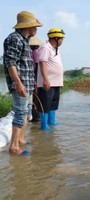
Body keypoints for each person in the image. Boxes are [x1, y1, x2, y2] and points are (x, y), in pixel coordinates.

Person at [3, 11, 42, 155]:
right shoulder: (14, 39)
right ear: (28, 26)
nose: (36, 29)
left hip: (28, 83)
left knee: (27, 113)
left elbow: (25, 65)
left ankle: (21, 139)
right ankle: (13, 147)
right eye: (35, 26)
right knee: (20, 113)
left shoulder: (24, 40)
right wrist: (18, 83)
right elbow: (10, 62)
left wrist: (33, 83)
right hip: (21, 84)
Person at [37, 28, 65, 131]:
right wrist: (45, 79)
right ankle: (44, 125)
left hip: (56, 82)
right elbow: (42, 63)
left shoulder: (55, 49)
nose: (62, 41)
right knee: (45, 104)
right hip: (47, 82)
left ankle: (51, 121)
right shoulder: (45, 47)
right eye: (61, 39)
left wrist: (60, 81)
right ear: (55, 38)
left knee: (53, 103)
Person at [29, 36, 43, 122]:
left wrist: (35, 80)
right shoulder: (37, 52)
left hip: (35, 78)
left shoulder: (35, 52)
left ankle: (36, 118)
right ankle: (36, 117)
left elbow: (36, 67)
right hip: (36, 78)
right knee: (36, 97)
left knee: (35, 97)